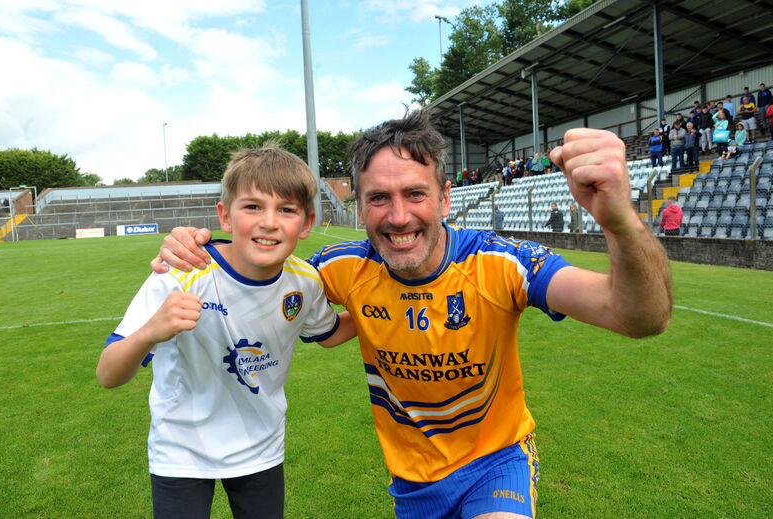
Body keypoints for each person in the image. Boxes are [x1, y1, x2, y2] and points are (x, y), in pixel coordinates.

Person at [153, 110, 672, 519]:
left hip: (497, 460)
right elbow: (259, 271)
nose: (398, 217)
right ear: (359, 208)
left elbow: (640, 317)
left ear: (445, 198)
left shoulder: (500, 263)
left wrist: (621, 221)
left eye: (415, 194)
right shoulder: (339, 271)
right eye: (379, 198)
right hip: (413, 482)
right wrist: (197, 244)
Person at [97, 145, 356, 519]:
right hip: (181, 449)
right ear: (225, 216)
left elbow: (327, 332)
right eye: (252, 207)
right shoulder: (180, 274)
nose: (269, 222)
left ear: (306, 223)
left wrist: (384, 314)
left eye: (286, 209)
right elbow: (107, 374)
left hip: (261, 447)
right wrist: (150, 332)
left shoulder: (305, 282)